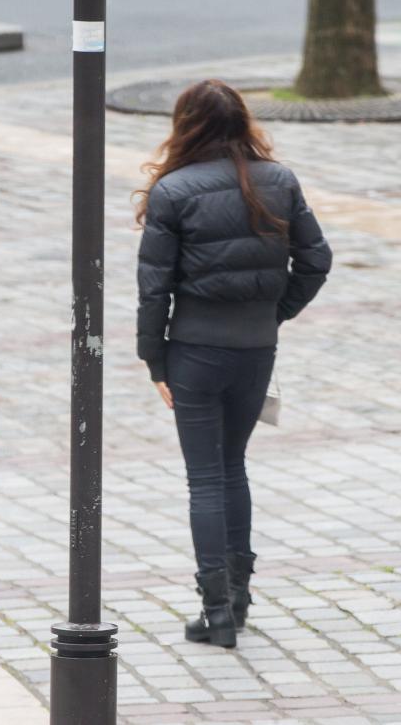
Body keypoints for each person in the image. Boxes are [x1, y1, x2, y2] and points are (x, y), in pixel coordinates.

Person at [136, 80, 331, 649]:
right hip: (254, 348)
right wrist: (275, 314)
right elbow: (317, 258)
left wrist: (155, 361)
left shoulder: (173, 191)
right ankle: (239, 597)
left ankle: (216, 611)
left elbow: (154, 290)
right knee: (233, 466)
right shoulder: (279, 180)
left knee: (205, 478)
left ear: (186, 125)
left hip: (194, 349)